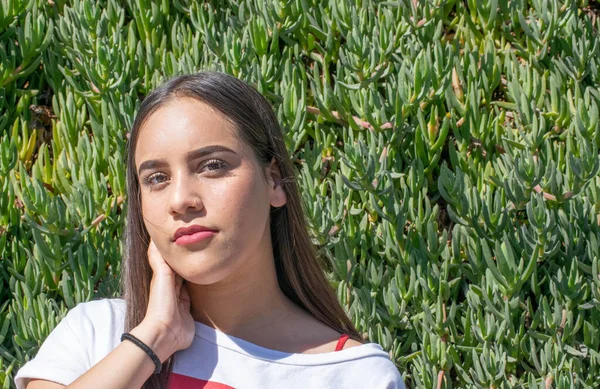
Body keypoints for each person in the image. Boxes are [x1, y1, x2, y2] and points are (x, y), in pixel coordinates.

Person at [14, 72, 405, 389]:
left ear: (274, 183)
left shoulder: (355, 375)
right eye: (156, 178)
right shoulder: (96, 335)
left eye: (213, 165)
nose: (181, 199)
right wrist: (151, 339)